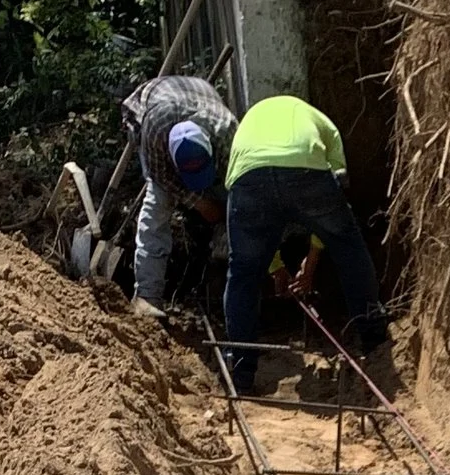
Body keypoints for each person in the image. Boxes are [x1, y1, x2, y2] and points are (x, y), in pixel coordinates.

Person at [220, 95, 395, 397]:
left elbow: (252, 230)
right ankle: (373, 340)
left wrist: (274, 267)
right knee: (348, 246)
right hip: (306, 170)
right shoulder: (319, 120)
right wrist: (313, 257)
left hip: (250, 177)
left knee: (243, 272)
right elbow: (338, 187)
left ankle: (241, 370)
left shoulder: (247, 125)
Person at [126, 69, 237, 317]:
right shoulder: (154, 134)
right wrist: (198, 203)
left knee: (234, 204)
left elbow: (242, 190)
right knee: (157, 208)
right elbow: (161, 176)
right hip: (153, 105)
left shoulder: (227, 133)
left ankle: (225, 274)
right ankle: (147, 297)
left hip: (200, 97)